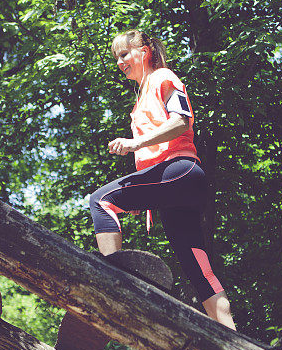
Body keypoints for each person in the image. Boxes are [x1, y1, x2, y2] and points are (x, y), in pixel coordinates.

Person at [89, 29, 236, 331]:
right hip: (175, 189)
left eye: (124, 54)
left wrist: (134, 144)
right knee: (198, 269)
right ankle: (235, 345)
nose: (120, 62)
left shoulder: (162, 77)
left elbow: (181, 121)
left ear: (144, 52)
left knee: (102, 201)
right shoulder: (142, 95)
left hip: (180, 171)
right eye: (116, 57)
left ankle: (115, 290)